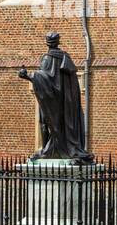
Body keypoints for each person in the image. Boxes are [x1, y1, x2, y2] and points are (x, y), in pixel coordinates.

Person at [18, 31, 92, 162]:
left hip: (51, 102)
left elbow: (44, 79)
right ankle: (50, 149)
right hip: (66, 104)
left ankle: (48, 150)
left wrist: (28, 76)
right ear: (58, 42)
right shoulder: (66, 58)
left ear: (47, 43)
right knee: (48, 123)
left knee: (44, 122)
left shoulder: (47, 58)